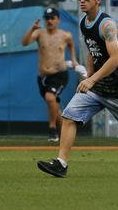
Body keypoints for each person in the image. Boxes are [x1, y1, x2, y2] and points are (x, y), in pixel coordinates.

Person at [37, 0, 118, 179]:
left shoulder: (107, 24)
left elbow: (116, 58)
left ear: (98, 0)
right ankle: (61, 163)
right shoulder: (84, 22)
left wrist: (92, 80)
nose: (82, 1)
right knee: (69, 116)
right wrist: (89, 77)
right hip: (97, 86)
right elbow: (92, 51)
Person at [22, 7, 81, 142]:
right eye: (47, 18)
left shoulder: (65, 35)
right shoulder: (39, 33)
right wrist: (32, 28)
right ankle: (64, 137)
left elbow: (71, 45)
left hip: (59, 74)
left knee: (50, 98)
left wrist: (73, 60)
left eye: (52, 18)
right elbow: (24, 43)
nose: (49, 21)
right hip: (43, 77)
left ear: (58, 20)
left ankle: (52, 129)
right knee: (54, 108)